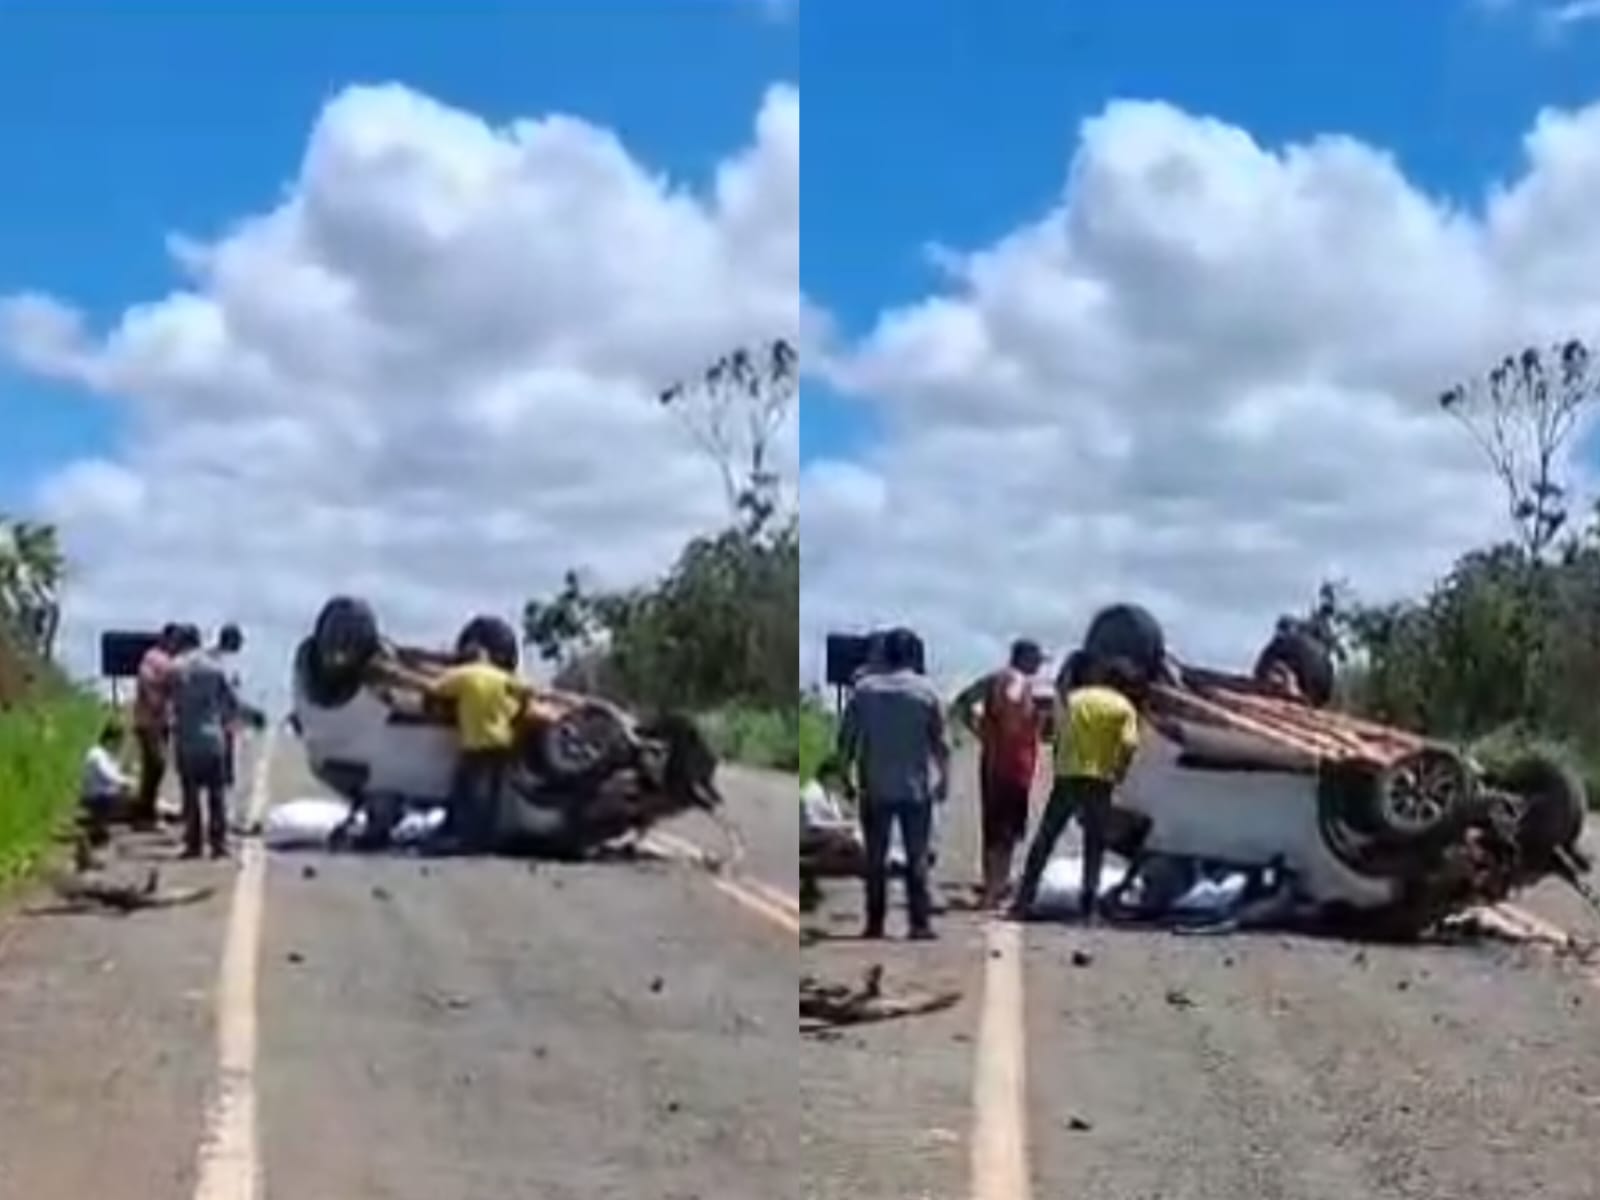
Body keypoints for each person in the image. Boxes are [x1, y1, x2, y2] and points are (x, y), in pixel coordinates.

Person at [1008, 656, 1144, 923]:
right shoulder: (1123, 708)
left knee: (1046, 838)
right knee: (1094, 844)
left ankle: (1024, 899)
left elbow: (1055, 733)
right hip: (1100, 780)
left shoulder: (1074, 699)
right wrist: (1119, 771)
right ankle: (1088, 907)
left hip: (1068, 776)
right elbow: (1129, 744)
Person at [836, 626, 950, 940]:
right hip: (916, 787)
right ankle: (919, 923)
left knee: (875, 858)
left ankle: (874, 923)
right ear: (914, 655)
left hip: (875, 786)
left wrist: (846, 777)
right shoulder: (927, 692)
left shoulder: (864, 690)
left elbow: (846, 741)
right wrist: (944, 780)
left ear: (885, 653)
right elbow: (940, 744)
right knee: (917, 856)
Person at [382, 638, 535, 853]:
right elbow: (529, 692)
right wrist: (516, 717)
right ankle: (486, 840)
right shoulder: (501, 676)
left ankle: (469, 841)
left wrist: (398, 676)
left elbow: (432, 687)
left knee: (469, 792)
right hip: (503, 741)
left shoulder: (465, 675)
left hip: (478, 742)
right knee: (491, 797)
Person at [954, 638, 1046, 909]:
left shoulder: (993, 678)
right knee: (1004, 830)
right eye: (1037, 659)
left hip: (995, 762)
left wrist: (982, 732)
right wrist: (1009, 731)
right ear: (1026, 658)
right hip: (1012, 765)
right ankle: (994, 890)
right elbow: (1012, 703)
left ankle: (994, 883)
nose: (1040, 665)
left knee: (995, 826)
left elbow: (962, 702)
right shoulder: (1017, 681)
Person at [170, 625, 240, 859]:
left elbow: (169, 701)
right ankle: (218, 844)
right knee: (216, 795)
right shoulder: (215, 667)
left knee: (191, 796)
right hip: (213, 738)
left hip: (187, 740)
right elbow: (230, 702)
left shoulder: (177, 667)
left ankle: (194, 844)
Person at [130, 623, 182, 829]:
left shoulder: (169, 660)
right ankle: (145, 814)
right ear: (166, 638)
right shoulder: (153, 658)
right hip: (149, 721)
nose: (176, 644)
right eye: (174, 639)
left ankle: (146, 812)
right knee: (155, 766)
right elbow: (145, 680)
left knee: (155, 768)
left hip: (160, 721)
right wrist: (155, 701)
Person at [80, 719, 135, 848]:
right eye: (118, 742)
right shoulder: (98, 755)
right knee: (132, 800)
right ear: (111, 740)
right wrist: (128, 782)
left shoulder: (101, 753)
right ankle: (99, 829)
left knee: (130, 797)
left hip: (97, 793)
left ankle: (100, 827)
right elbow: (109, 776)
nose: (118, 746)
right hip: (98, 796)